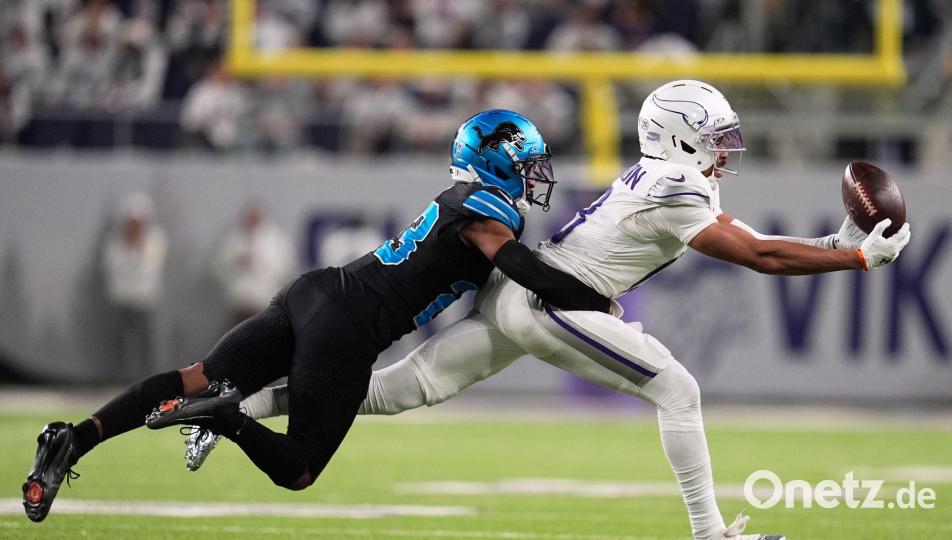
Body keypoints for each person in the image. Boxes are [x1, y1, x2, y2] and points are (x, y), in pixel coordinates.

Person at [197, 81, 911, 540]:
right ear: (683, 137)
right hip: (547, 299)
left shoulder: (674, 176)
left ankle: (233, 409)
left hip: (522, 299)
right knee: (678, 388)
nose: (727, 150)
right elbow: (757, 257)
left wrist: (838, 242)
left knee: (396, 390)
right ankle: (710, 534)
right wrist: (850, 259)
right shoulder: (675, 182)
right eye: (717, 138)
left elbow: (759, 243)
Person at [21, 109, 612, 523]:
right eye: (528, 161)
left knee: (193, 377)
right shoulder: (485, 212)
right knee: (298, 469)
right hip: (350, 327)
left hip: (315, 292)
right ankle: (226, 418)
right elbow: (531, 276)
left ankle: (72, 439)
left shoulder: (460, 200)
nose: (538, 173)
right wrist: (598, 300)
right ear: (496, 162)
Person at [102, 193, 168, 381]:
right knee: (119, 342)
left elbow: (150, 268)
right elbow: (113, 268)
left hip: (144, 299)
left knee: (146, 342)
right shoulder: (115, 241)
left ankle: (148, 378)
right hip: (121, 299)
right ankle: (117, 378)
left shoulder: (155, 239)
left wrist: (137, 247)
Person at [213, 201, 296, 327]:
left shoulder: (276, 238)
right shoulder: (233, 237)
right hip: (239, 303)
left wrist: (260, 265)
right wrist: (237, 263)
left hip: (264, 301)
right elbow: (219, 266)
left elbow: (285, 267)